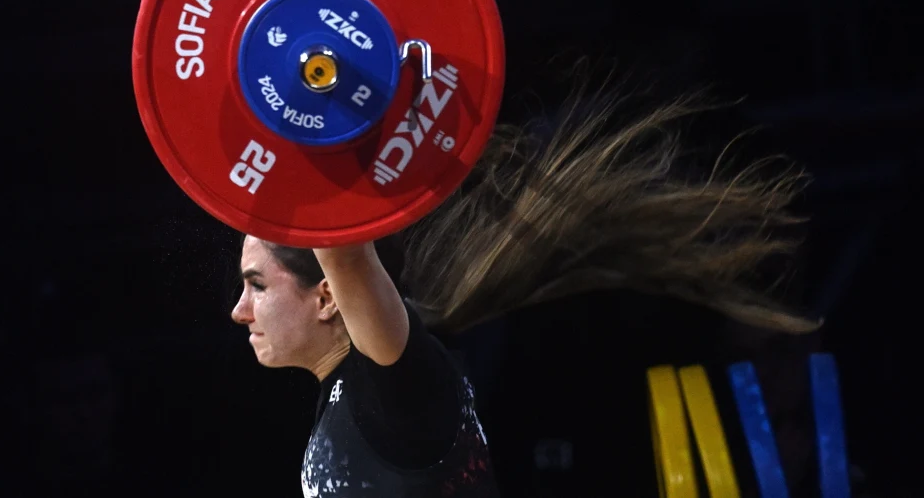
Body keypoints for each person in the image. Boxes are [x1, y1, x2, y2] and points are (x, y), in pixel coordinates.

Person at [230, 78, 820, 497]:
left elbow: (346, 249)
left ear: (328, 295)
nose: (240, 310)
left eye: (256, 285)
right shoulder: (345, 401)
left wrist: (308, 97)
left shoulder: (387, 384)